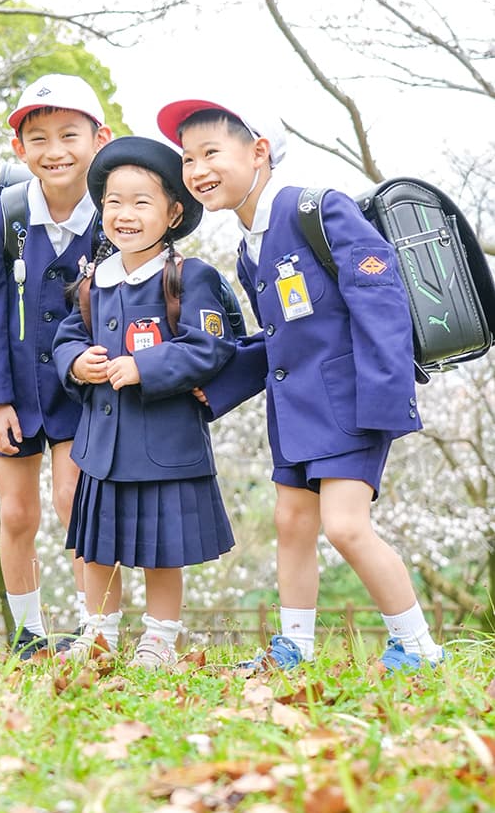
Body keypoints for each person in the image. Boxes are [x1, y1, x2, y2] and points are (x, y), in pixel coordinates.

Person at [156, 95, 444, 672]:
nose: (197, 171)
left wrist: (386, 398)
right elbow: (280, 339)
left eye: (212, 152)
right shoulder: (248, 248)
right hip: (295, 409)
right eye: (188, 159)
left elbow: (379, 296)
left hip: (351, 402)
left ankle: (418, 646)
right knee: (291, 525)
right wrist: (216, 385)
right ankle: (295, 651)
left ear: (258, 151)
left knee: (345, 526)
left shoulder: (316, 209)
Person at [51, 137, 238, 670]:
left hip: (164, 445)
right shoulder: (93, 281)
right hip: (102, 448)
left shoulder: (189, 278)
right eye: (113, 201)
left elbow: (211, 346)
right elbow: (67, 336)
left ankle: (159, 637)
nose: (124, 214)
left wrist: (144, 367)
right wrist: (74, 363)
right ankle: (100, 630)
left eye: (141, 202)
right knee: (96, 546)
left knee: (162, 549)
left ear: (173, 212)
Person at [0, 74, 112, 658]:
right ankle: (28, 632)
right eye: (39, 138)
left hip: (84, 389)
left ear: (100, 139)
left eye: (69, 135)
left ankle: (96, 631)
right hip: (13, 389)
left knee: (76, 504)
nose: (55, 151)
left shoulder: (114, 216)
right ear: (19, 149)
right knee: (18, 512)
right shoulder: (1, 217)